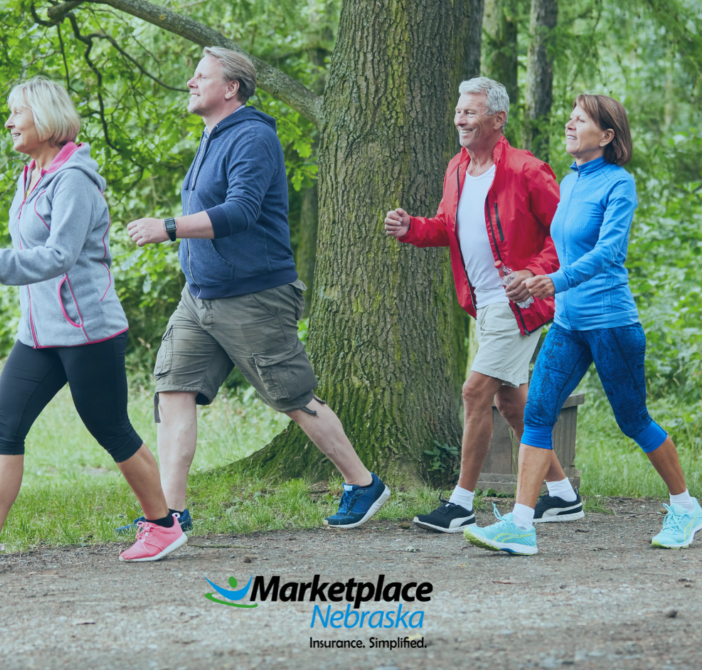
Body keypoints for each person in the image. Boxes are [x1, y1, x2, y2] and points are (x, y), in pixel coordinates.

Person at [124, 47, 390, 530]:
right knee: (172, 390)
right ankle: (169, 516)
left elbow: (242, 211)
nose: (190, 82)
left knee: (292, 396)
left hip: (254, 296)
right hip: (200, 295)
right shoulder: (212, 136)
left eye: (200, 75)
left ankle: (363, 483)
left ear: (231, 88)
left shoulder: (252, 137)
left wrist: (169, 226)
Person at [0, 77, 185, 573]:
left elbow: (60, 255)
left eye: (17, 114)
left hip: (88, 331)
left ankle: (163, 525)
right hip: (39, 333)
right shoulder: (31, 173)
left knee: (110, 428)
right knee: (5, 424)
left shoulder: (74, 179)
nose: (8, 122)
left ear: (45, 120)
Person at [465, 94, 702, 556]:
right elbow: (559, 248)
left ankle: (685, 505)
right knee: (537, 414)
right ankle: (520, 524)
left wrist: (553, 281)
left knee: (632, 419)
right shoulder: (570, 183)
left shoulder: (619, 184)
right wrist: (533, 277)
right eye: (570, 118)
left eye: (581, 120)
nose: (570, 125)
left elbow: (610, 253)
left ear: (607, 136)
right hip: (569, 324)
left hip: (612, 322)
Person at [385, 77, 580, 533]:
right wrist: (411, 227)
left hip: (520, 306)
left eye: (470, 112)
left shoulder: (528, 170)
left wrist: (534, 274)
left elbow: (566, 235)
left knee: (475, 392)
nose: (460, 119)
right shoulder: (456, 168)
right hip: (484, 307)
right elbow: (446, 227)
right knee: (512, 405)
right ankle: (564, 496)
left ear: (498, 119)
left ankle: (461, 502)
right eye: (459, 111)